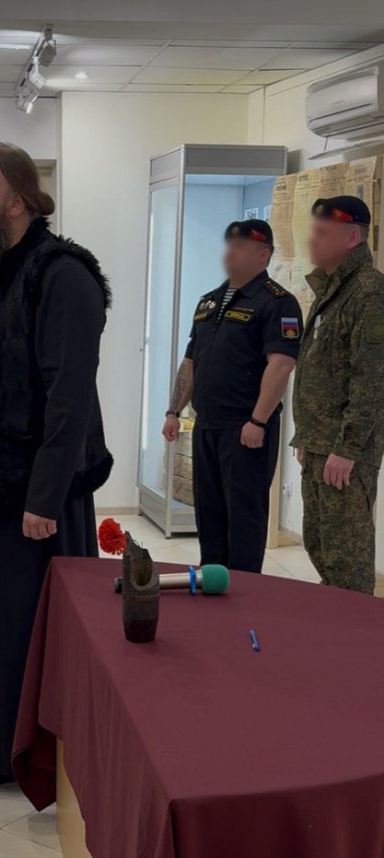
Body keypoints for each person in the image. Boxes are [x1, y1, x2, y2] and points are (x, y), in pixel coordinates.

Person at [0, 142, 112, 782]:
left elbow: (69, 398)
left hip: (28, 498)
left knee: (16, 628)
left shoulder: (62, 275)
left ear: (18, 201)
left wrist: (44, 495)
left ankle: (26, 756)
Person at [163, 220, 303, 572]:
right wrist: (173, 410)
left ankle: (244, 591)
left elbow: (281, 364)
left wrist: (258, 420)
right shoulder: (209, 302)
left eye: (241, 247)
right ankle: (212, 582)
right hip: (207, 425)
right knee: (209, 512)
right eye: (229, 244)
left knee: (244, 517)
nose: (230, 252)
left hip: (245, 429)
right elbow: (190, 362)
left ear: (263, 255)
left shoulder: (278, 303)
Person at [292, 196, 384, 595]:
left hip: (344, 453)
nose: (312, 240)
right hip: (320, 445)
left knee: (347, 561)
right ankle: (331, 626)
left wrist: (347, 448)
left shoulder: (368, 293)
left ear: (351, 238)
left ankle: (356, 630)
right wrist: (308, 436)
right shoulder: (333, 289)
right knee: (320, 546)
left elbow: (372, 379)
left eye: (322, 233)